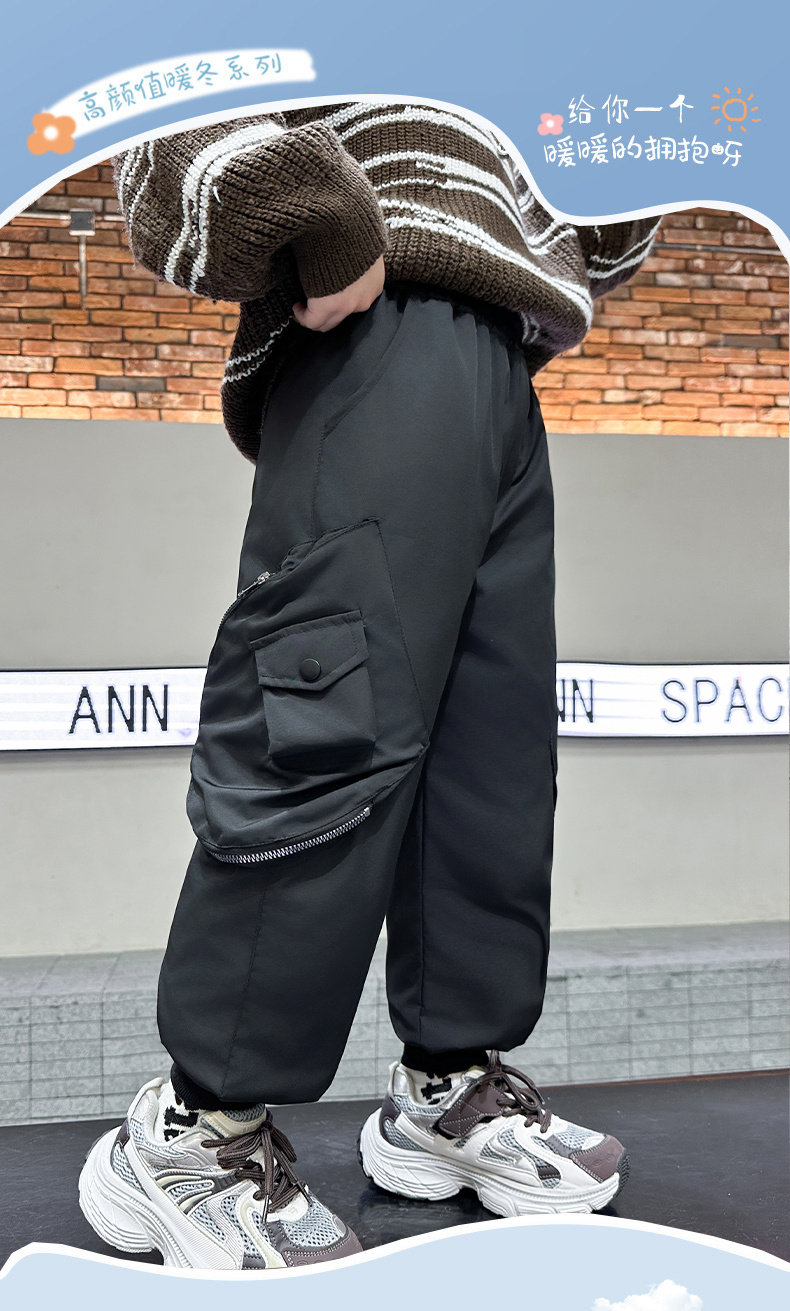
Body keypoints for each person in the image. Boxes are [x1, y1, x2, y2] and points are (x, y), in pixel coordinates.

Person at [78, 96, 659, 1270]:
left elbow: (595, 217)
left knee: (488, 761)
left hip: (504, 355)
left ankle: (446, 1091)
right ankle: (194, 1135)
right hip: (376, 321)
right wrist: (311, 216)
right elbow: (162, 88)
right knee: (327, 730)